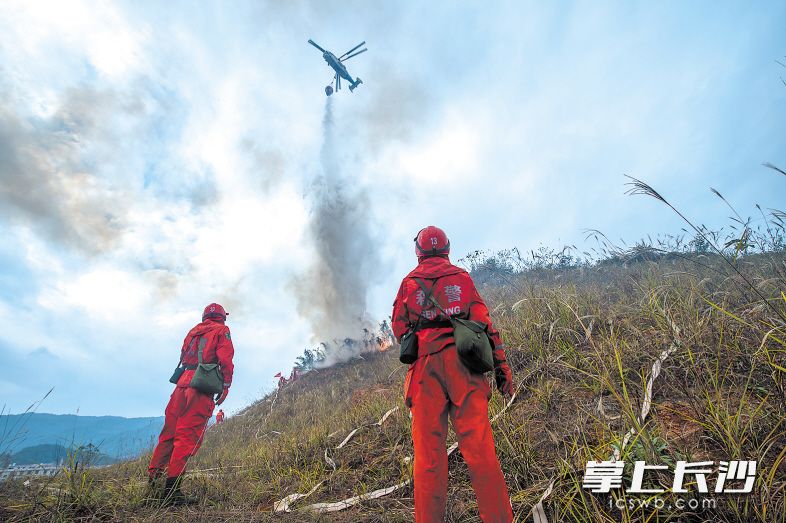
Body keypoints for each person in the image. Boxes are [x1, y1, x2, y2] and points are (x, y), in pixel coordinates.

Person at [392, 226, 515, 523]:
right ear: (447, 248)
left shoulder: (409, 284)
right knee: (481, 451)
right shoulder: (462, 278)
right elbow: (486, 326)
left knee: (428, 461)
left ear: (418, 252)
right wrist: (502, 369)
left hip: (425, 373)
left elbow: (399, 328)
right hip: (465, 368)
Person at [148, 303, 235, 505]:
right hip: (200, 387)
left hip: (180, 386)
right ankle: (172, 494)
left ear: (204, 316)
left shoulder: (193, 331)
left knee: (168, 436)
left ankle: (153, 486)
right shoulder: (222, 331)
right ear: (222, 317)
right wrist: (225, 386)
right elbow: (226, 360)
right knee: (186, 438)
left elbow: (183, 355)